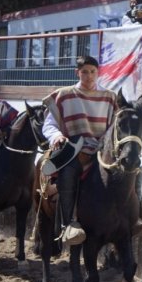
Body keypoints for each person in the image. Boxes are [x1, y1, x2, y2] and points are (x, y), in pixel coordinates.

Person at [41, 56, 118, 246]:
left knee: (133, 170)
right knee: (69, 171)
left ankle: (133, 219)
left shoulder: (109, 96)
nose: (89, 76)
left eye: (93, 72)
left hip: (102, 150)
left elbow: (117, 125)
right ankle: (68, 224)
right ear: (78, 73)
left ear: (98, 72)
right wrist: (56, 136)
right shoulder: (64, 94)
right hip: (74, 150)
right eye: (84, 72)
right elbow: (48, 125)